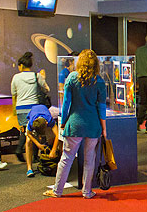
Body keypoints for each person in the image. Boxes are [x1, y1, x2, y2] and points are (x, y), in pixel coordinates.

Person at [43, 49, 106, 199]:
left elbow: (66, 104)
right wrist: (104, 128)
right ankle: (87, 191)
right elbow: (101, 107)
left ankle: (57, 191)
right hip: (93, 126)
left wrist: (63, 121)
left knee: (66, 158)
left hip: (74, 124)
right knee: (89, 160)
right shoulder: (99, 81)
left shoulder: (72, 78)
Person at [11, 52, 50, 163]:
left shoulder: (16, 77)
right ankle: (35, 156)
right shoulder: (36, 76)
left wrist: (14, 110)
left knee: (25, 130)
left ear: (22, 65)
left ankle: (20, 149)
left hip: (21, 108)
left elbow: (14, 94)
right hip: (34, 108)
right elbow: (46, 89)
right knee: (36, 131)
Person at [24, 104, 60, 177]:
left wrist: (53, 150)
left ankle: (56, 163)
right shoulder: (31, 123)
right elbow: (29, 134)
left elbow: (57, 135)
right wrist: (38, 144)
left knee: (52, 138)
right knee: (28, 142)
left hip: (44, 115)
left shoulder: (49, 120)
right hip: (34, 114)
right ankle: (29, 168)